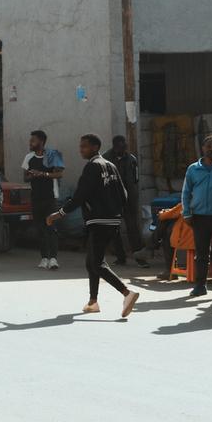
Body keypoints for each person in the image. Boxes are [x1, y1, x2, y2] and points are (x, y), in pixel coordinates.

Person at [48, 134, 140, 318]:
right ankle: (93, 302)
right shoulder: (111, 166)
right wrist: (117, 212)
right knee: (93, 261)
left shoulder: (92, 167)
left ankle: (126, 293)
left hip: (98, 220)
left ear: (96, 147)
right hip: (112, 220)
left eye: (85, 146)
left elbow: (79, 196)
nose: (81, 149)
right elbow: (124, 193)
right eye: (81, 146)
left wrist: (59, 214)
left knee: (96, 263)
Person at [181, 135, 212, 299]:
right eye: (208, 146)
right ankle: (200, 285)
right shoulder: (193, 169)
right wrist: (187, 213)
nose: (211, 149)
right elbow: (186, 192)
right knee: (202, 253)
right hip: (200, 217)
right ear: (203, 148)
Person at [104, 135, 149, 267]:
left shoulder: (131, 159)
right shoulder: (106, 158)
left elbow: (134, 180)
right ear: (114, 146)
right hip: (112, 198)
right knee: (114, 229)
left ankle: (140, 257)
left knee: (133, 229)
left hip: (129, 198)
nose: (121, 150)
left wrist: (132, 197)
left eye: (123, 147)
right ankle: (120, 257)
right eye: (118, 147)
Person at [22, 130, 65, 270]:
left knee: (51, 227)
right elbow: (25, 177)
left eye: (33, 140)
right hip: (36, 197)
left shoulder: (53, 154)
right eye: (30, 140)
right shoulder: (29, 157)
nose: (30, 143)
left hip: (50, 197)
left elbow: (59, 174)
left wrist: (43, 174)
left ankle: (53, 258)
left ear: (41, 142)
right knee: (40, 228)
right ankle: (44, 258)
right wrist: (32, 175)